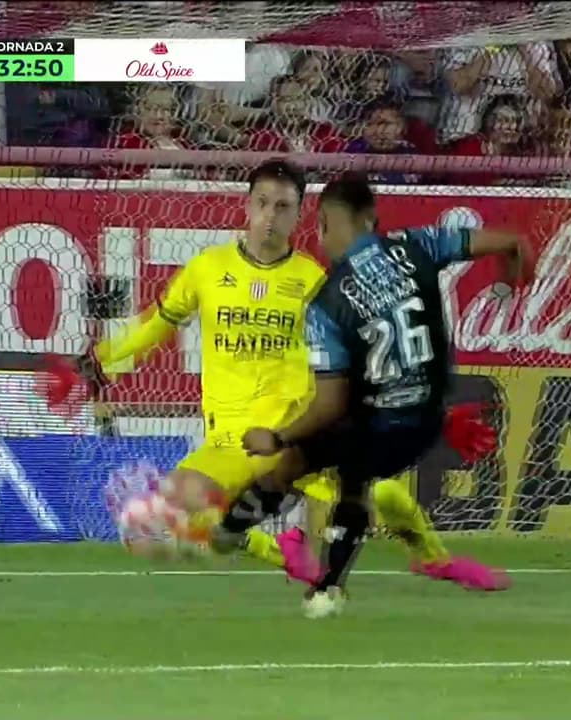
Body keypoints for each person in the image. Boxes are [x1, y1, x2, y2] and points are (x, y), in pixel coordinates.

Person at [83, 160, 478, 588]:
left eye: (283, 206)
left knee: (381, 493)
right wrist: (100, 359)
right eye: (263, 203)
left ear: (299, 214)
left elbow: (361, 358)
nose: (270, 216)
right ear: (247, 205)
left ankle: (434, 559)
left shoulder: (315, 280)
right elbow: (156, 323)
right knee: (167, 514)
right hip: (230, 441)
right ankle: (279, 550)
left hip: (293, 432)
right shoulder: (207, 269)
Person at [212, 173, 530, 618]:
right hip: (427, 422)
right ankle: (327, 587)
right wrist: (510, 278)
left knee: (305, 459)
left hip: (380, 425)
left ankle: (237, 534)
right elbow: (512, 242)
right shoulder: (417, 244)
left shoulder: (326, 302)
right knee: (355, 469)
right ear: (372, 220)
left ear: (322, 226)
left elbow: (330, 404)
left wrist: (278, 437)